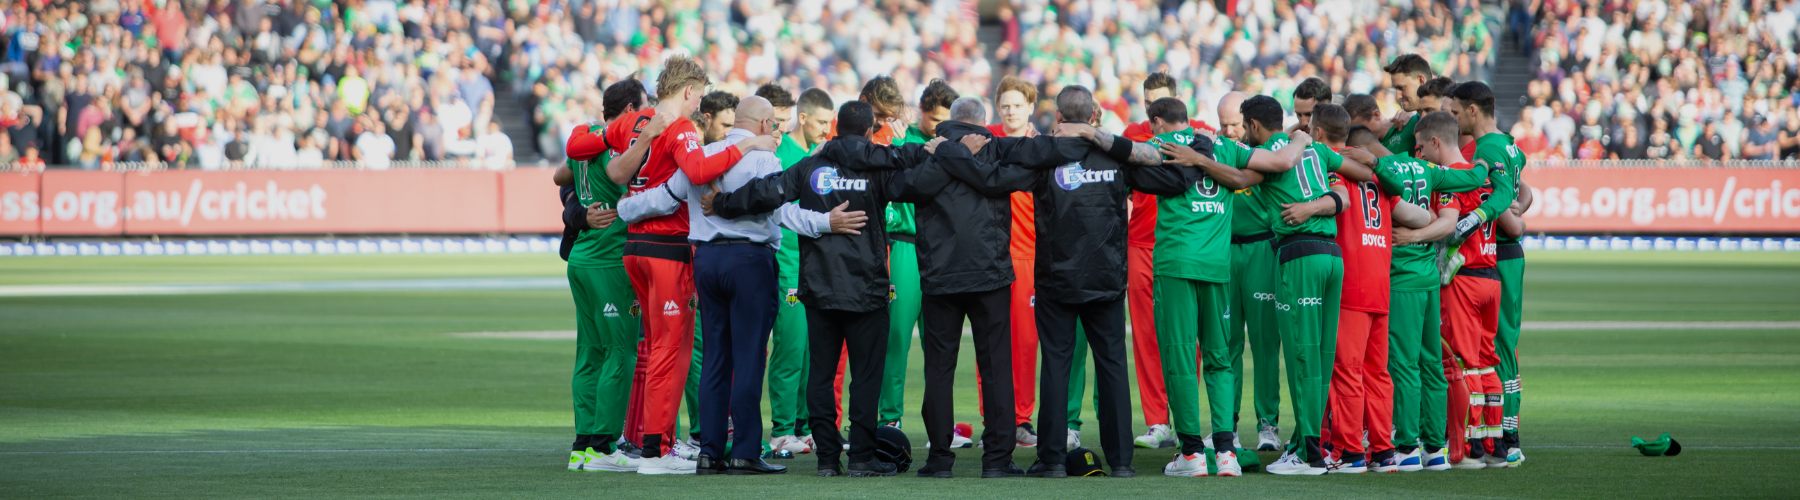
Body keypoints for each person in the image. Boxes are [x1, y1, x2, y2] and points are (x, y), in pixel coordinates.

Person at [708, 100, 967, 478]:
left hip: (820, 287)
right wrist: (941, 152)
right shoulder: (879, 163)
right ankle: (861, 456)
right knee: (865, 377)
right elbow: (919, 180)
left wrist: (722, 202)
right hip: (868, 288)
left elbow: (768, 192)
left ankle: (827, 458)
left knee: (821, 376)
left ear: (834, 128)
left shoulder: (812, 164)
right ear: (866, 131)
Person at [955, 85, 1203, 478]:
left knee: (1056, 365)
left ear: (1057, 119)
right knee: (1112, 366)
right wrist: (1201, 152)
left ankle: (1051, 459)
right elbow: (1172, 181)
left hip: (1057, 280)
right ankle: (1121, 461)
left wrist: (953, 151)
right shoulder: (1116, 155)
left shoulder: (1043, 154)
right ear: (1093, 118)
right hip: (1106, 279)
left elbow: (995, 176)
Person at [617, 96, 856, 476]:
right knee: (748, 358)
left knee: (715, 358)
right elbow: (784, 213)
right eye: (774, 125)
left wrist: (621, 209)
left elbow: (664, 198)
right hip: (749, 261)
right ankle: (745, 449)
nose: (776, 130)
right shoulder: (763, 158)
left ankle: (710, 451)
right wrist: (827, 222)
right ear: (763, 124)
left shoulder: (704, 153)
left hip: (706, 262)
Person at [584, 56, 777, 475]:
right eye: (700, 97)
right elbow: (699, 168)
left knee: (654, 349)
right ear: (689, 90)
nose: (698, 107)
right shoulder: (681, 128)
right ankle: (657, 450)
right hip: (668, 249)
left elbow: (587, 152)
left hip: (633, 246)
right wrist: (747, 144)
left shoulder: (635, 122)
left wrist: (629, 185)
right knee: (673, 351)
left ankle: (633, 444)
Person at [910, 96, 1095, 478]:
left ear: (950, 121)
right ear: (984, 121)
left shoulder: (928, 151)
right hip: (989, 273)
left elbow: (903, 186)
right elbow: (1043, 153)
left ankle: (939, 459)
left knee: (939, 369)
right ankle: (996, 459)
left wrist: (948, 154)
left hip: (940, 276)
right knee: (996, 367)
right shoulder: (996, 148)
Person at [1233, 95, 1375, 476]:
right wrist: (1323, 197)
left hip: (1298, 257)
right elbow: (1362, 175)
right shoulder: (1316, 152)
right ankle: (1310, 443)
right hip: (1332, 256)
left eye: (1244, 126)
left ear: (1254, 126)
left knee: (1300, 354)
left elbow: (1237, 180)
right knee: (1322, 356)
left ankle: (1309, 453)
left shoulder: (1264, 156)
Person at [559, 79, 659, 473]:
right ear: (633, 109)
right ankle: (603, 447)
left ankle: (583, 446)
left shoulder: (587, 142)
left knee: (590, 352)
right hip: (609, 260)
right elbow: (624, 179)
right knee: (621, 351)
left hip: (581, 259)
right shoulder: (617, 146)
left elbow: (558, 177)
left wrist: (582, 208)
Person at [1447, 81, 1528, 468]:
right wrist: (1519, 206)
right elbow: (1519, 186)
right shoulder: (1510, 145)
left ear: (1473, 111)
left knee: (1489, 354)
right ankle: (1501, 437)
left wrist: (1475, 219)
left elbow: (1497, 199)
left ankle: (1501, 437)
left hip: (1494, 255)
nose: (1455, 119)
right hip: (1502, 257)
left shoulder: (1487, 148)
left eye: (1456, 112)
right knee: (1495, 351)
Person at [762, 84, 831, 456]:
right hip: (786, 263)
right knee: (789, 349)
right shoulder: (778, 153)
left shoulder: (815, 153)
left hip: (812, 266)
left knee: (808, 352)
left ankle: (803, 426)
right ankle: (781, 430)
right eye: (821, 121)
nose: (826, 129)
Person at [988, 75, 1047, 448]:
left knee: (1025, 343)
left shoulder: (1043, 147)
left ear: (1029, 108)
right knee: (989, 341)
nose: (1010, 111)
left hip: (1028, 257)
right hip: (988, 255)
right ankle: (992, 419)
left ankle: (1021, 419)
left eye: (1017, 105)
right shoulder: (984, 140)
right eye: (1005, 105)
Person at [1380, 55, 1439, 156]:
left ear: (1421, 81)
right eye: (1395, 89)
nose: (1398, 96)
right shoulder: (1410, 120)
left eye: (1402, 88)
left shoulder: (1446, 122)